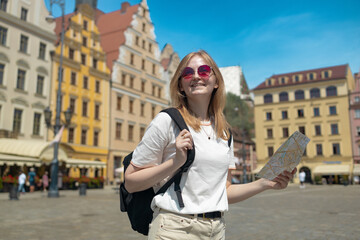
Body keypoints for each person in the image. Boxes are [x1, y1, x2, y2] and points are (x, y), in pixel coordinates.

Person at [125, 50, 296, 239]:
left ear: (216, 82)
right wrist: (175, 163)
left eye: (205, 70)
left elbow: (224, 191)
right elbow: (131, 183)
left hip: (216, 230)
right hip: (175, 229)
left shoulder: (224, 132)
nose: (196, 76)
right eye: (188, 73)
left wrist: (265, 184)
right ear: (181, 85)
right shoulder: (166, 121)